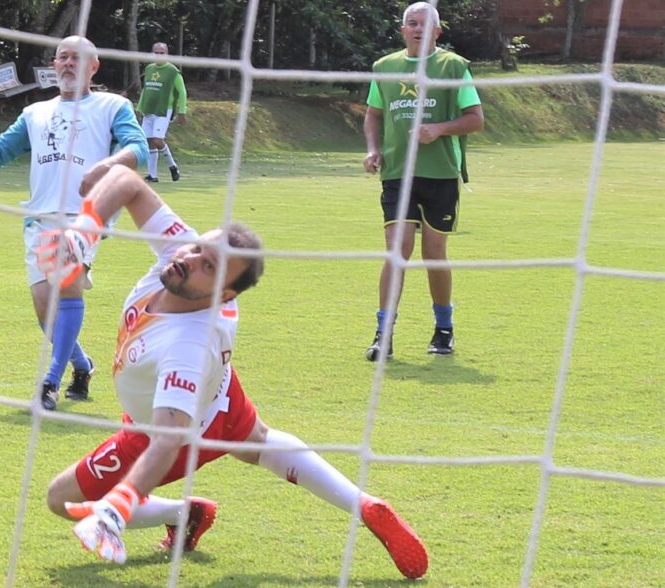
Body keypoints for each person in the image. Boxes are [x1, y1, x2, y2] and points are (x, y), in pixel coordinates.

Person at [40, 165, 429, 580]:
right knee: (257, 441)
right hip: (221, 395)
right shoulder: (184, 257)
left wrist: (119, 503)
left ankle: (180, 513)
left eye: (207, 265)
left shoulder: (187, 346)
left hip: (170, 428)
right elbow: (128, 180)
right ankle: (365, 504)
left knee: (60, 498)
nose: (188, 259)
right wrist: (84, 230)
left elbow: (168, 440)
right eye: (195, 249)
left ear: (223, 294)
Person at [0, 36, 148, 410]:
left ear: (93, 67)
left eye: (77, 58)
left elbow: (139, 149)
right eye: (62, 57)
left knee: (67, 288)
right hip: (39, 218)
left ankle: (48, 382)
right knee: (44, 308)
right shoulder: (35, 113)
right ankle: (82, 365)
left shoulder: (113, 105)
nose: (68, 64)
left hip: (85, 215)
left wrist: (105, 166)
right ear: (54, 64)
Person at [363, 2, 484, 361]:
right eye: (411, 23)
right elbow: (373, 114)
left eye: (425, 23)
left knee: (434, 254)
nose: (418, 29)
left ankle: (443, 329)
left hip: (441, 174)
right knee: (397, 252)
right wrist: (373, 149)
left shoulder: (453, 67)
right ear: (403, 30)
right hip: (398, 173)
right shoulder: (384, 68)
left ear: (437, 31)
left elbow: (475, 119)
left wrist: (438, 130)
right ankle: (383, 335)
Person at [136, 42, 187, 183]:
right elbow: (146, 89)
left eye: (162, 53)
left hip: (163, 110)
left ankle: (172, 166)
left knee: (158, 140)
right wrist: (141, 107)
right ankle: (152, 175)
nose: (158, 55)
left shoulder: (173, 72)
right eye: (156, 53)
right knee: (148, 141)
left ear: (167, 54)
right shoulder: (149, 68)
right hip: (149, 110)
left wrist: (182, 111)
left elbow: (182, 92)